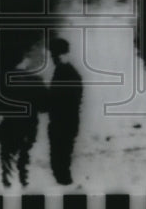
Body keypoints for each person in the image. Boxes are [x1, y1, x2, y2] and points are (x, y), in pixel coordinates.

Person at [0, 63, 46, 188]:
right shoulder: (35, 81)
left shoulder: (5, 80)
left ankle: (6, 178)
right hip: (29, 124)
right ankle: (23, 177)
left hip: (10, 123)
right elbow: (44, 106)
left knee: (6, 152)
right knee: (24, 151)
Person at [46, 38, 82, 185]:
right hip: (70, 120)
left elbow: (58, 99)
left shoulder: (63, 72)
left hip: (61, 121)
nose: (52, 57)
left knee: (59, 157)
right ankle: (65, 183)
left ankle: (64, 185)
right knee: (63, 156)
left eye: (53, 54)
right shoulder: (71, 72)